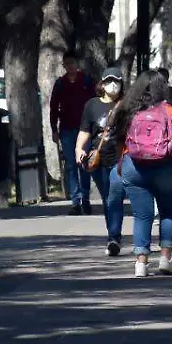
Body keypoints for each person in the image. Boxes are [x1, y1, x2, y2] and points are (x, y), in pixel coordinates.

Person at [106, 70, 172, 277]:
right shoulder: (170, 111)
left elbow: (117, 141)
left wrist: (121, 162)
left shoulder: (127, 110)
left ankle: (141, 263)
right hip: (165, 167)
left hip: (134, 167)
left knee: (141, 215)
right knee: (168, 212)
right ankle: (165, 259)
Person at [76, 67, 126, 256]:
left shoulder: (126, 104)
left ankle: (114, 238)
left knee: (115, 196)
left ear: (121, 84)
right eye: (108, 81)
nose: (112, 85)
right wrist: (78, 148)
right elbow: (85, 131)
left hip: (120, 158)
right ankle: (112, 235)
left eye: (116, 81)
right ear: (102, 84)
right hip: (98, 159)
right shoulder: (92, 105)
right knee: (108, 199)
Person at [50, 51, 97, 215]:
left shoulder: (86, 81)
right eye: (67, 63)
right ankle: (75, 201)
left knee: (84, 164)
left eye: (73, 63)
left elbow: (94, 103)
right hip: (67, 130)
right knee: (71, 165)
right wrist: (54, 130)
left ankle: (86, 199)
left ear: (77, 64)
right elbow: (54, 108)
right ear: (63, 65)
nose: (70, 66)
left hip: (84, 130)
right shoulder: (60, 84)